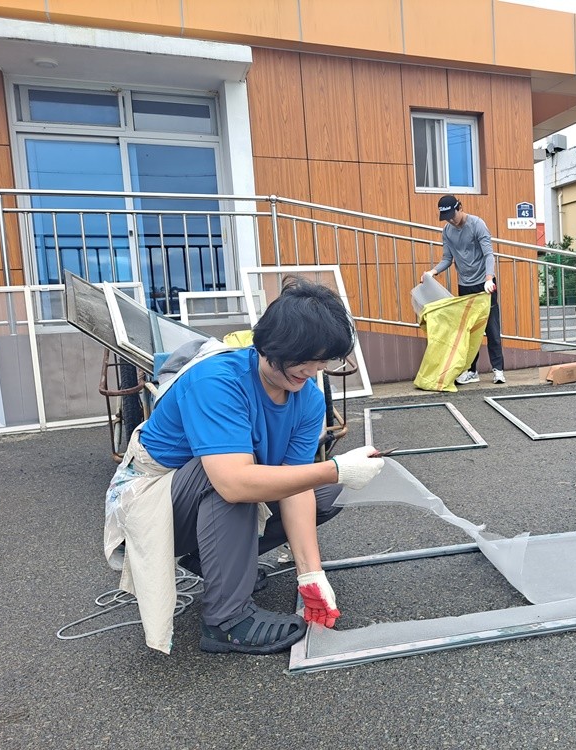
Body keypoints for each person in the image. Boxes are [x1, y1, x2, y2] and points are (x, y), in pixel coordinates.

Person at [105, 277, 386, 654]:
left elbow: (296, 486)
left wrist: (311, 574)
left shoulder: (308, 400)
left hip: (197, 501)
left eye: (323, 360)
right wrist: (335, 467)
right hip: (149, 501)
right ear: (272, 344)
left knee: (323, 493)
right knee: (228, 477)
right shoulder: (218, 381)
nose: (312, 370)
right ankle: (226, 621)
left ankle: (211, 560)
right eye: (305, 357)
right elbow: (234, 484)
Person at [424, 195, 505, 384]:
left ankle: (498, 369)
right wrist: (432, 272)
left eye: (453, 215)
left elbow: (488, 254)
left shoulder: (477, 224)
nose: (451, 220)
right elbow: (447, 258)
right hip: (465, 285)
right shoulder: (447, 231)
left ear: (460, 208)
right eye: (447, 217)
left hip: (485, 284)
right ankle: (471, 370)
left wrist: (488, 278)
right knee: (467, 331)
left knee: (491, 328)